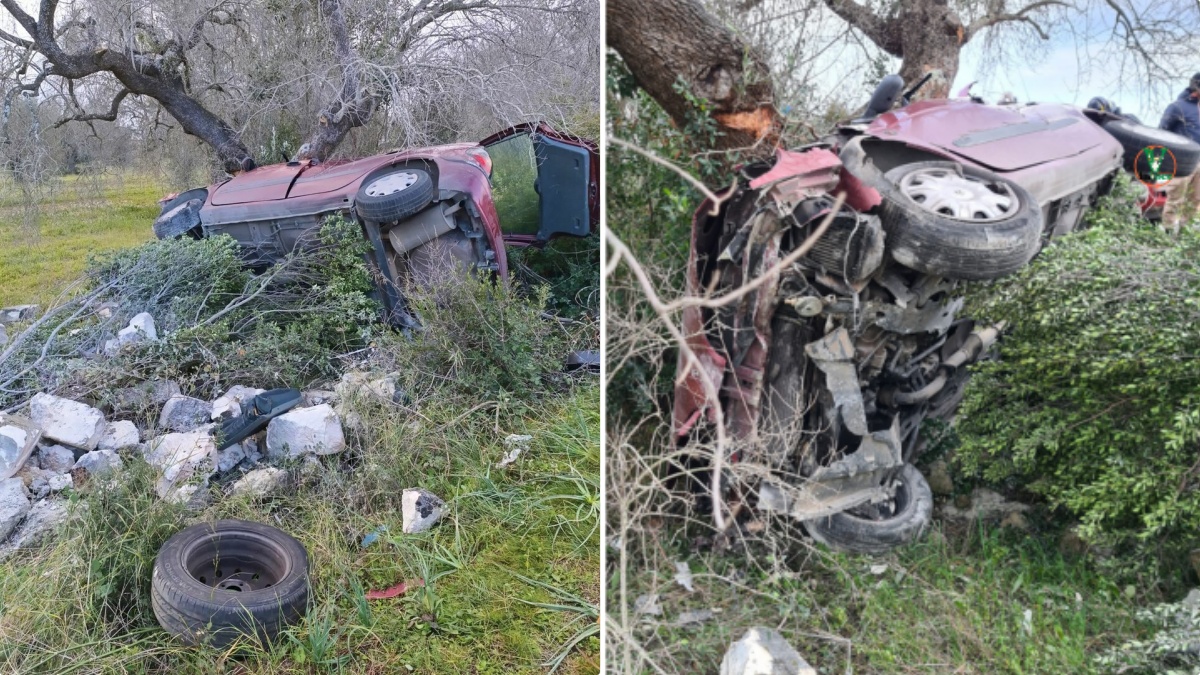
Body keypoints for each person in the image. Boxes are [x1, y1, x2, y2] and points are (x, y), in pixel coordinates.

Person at [1159, 73, 1200, 232]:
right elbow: (1162, 133)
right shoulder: (1178, 107)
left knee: (1195, 201)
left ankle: (1185, 239)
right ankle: (1168, 235)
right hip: (1182, 160)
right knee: (1176, 199)